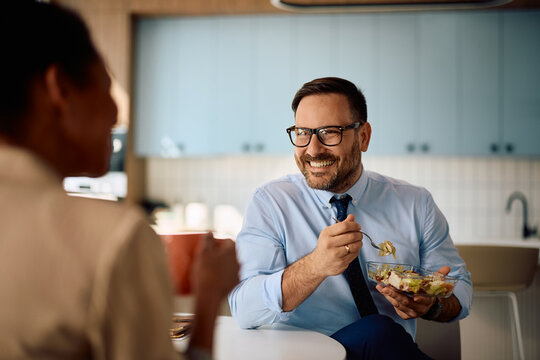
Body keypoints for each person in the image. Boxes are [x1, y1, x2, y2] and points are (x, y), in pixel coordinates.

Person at [0, 1, 239, 359]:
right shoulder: (112, 239)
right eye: (105, 86)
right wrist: (207, 299)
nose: (116, 112)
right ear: (59, 89)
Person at [228, 77, 472, 359]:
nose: (313, 149)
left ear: (363, 136)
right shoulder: (271, 203)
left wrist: (432, 305)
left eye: (329, 132)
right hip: (304, 354)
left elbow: (461, 291)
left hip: (387, 352)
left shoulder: (416, 204)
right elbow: (244, 311)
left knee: (380, 332)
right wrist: (315, 266)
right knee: (379, 330)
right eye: (302, 132)